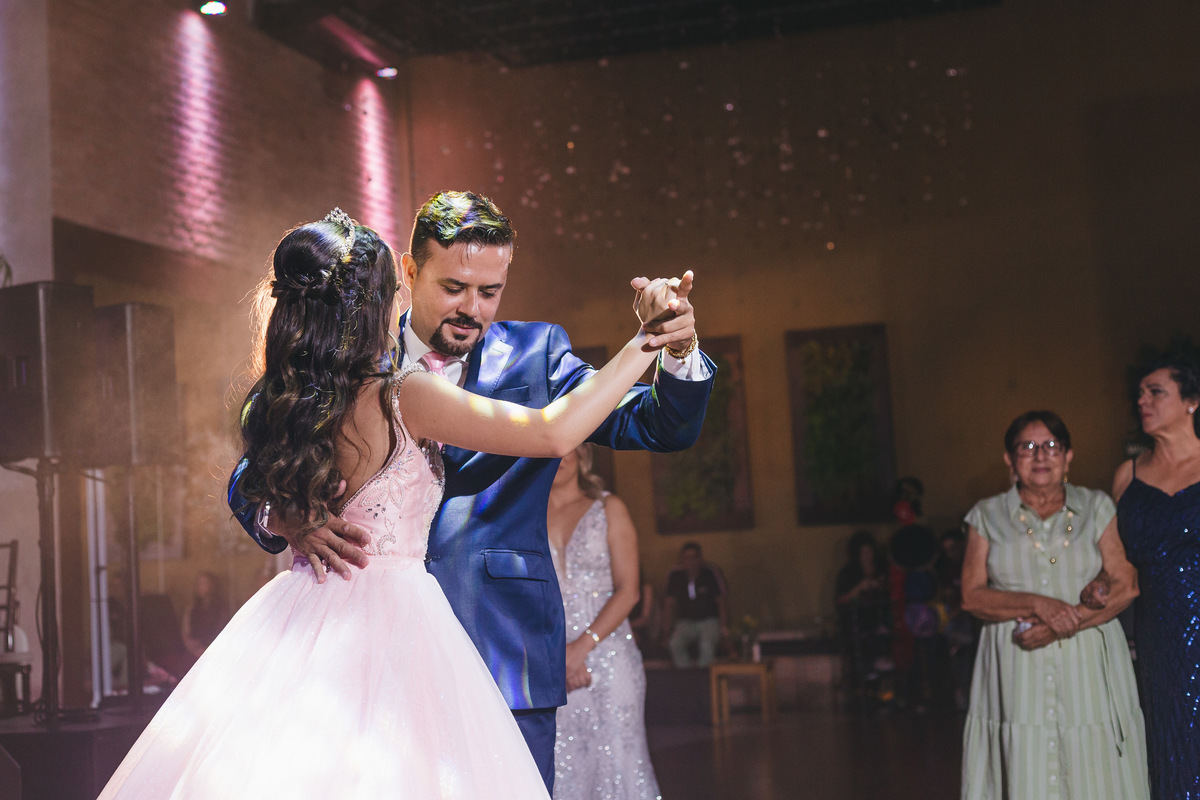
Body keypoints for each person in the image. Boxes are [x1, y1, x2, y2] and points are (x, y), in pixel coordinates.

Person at [99, 211, 681, 798]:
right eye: (450, 287)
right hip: (396, 621)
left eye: (487, 290)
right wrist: (645, 340)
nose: (470, 305)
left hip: (309, 614)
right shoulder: (403, 394)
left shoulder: (283, 398)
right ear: (392, 291)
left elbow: (268, 468)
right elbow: (553, 434)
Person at [960, 410, 1148, 799]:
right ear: (1009, 460)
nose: (1040, 455)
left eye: (1051, 446)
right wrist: (1038, 604)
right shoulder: (987, 516)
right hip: (1017, 668)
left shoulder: (1096, 508)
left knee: (1092, 766)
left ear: (1068, 456)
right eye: (1027, 447)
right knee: (1025, 764)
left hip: (1089, 668)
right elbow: (972, 595)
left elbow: (1125, 584)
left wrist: (1068, 621)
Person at [547, 444, 660, 800]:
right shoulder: (525, 517)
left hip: (609, 656)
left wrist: (580, 649)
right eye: (550, 448)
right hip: (552, 660)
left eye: (568, 446)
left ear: (582, 452)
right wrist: (556, 656)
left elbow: (629, 591)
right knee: (565, 767)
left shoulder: (610, 508)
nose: (560, 455)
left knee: (620, 765)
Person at [1113, 349, 1200, 798]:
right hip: (1157, 638)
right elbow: (1117, 567)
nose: (1142, 400)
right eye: (1140, 393)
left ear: (1192, 400)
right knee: (1170, 746)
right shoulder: (1127, 477)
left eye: (1156, 392)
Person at [834, 530, 892, 709]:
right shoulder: (848, 573)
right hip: (858, 624)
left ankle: (886, 694)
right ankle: (865, 693)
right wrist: (860, 587)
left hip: (882, 621)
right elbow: (841, 600)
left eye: (870, 552)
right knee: (862, 656)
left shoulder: (882, 569)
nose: (868, 556)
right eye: (863, 553)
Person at [662, 541, 728, 667]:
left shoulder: (711, 572)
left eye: (694, 557)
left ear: (700, 558)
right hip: (686, 622)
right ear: (681, 560)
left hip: (710, 621)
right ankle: (687, 677)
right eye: (687, 558)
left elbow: (722, 602)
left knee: (706, 644)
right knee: (675, 643)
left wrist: (724, 629)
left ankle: (705, 678)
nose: (691, 562)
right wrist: (666, 632)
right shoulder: (675, 575)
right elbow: (668, 605)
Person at [180, 571, 230, 658]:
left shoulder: (221, 609)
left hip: (216, 651)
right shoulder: (191, 608)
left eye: (205, 583)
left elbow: (225, 631)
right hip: (195, 651)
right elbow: (186, 633)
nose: (201, 587)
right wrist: (196, 649)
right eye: (199, 584)